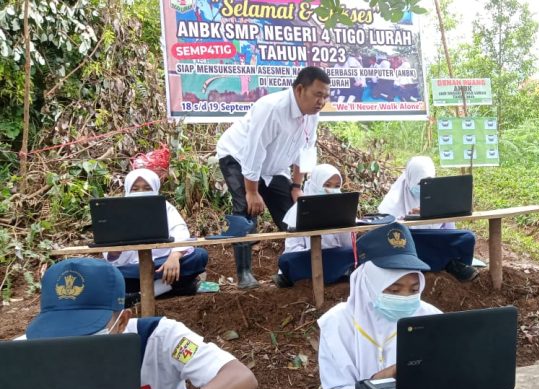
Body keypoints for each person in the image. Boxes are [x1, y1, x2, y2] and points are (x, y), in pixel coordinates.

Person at [24, 257, 258, 389]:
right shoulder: (25, 350)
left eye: (86, 331)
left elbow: (239, 377)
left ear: (122, 321)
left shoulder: (160, 338)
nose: (69, 343)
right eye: (58, 331)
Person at [315, 222, 497, 389]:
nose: (406, 298)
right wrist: (379, 382)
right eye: (393, 290)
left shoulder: (429, 315)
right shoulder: (337, 323)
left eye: (413, 289)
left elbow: (449, 373)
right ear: (368, 283)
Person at [216, 66, 331, 289]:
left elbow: (305, 150)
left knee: (295, 213)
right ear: (300, 89)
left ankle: (290, 271)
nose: (321, 101)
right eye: (318, 94)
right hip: (238, 157)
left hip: (274, 167)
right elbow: (254, 151)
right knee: (246, 211)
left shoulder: (312, 115)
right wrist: (251, 191)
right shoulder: (271, 108)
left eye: (325, 96)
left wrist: (296, 186)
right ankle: (244, 274)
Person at [104, 169, 208, 301]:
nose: (141, 193)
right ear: (128, 190)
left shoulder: (166, 208)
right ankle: (172, 288)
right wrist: (115, 251)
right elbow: (110, 254)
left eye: (147, 188)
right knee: (109, 274)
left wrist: (175, 256)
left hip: (165, 264)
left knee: (199, 255)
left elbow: (180, 231)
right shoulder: (118, 212)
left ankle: (139, 296)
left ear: (155, 189)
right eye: (135, 189)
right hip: (134, 269)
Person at [378, 156, 478, 282]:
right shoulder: (394, 200)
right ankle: (449, 264)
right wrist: (409, 218)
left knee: (467, 237)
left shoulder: (438, 197)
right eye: (420, 183)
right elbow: (386, 230)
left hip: (431, 241)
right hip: (408, 241)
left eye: (427, 182)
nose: (423, 187)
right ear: (410, 179)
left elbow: (449, 233)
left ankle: (440, 262)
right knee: (402, 242)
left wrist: (432, 212)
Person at [273, 164, 354, 288]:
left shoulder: (341, 208)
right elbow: (293, 248)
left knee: (355, 251)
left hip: (334, 257)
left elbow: (347, 244)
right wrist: (316, 253)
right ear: (316, 184)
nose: (332, 189)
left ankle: (336, 271)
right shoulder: (299, 210)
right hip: (308, 259)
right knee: (287, 260)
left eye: (337, 186)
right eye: (327, 185)